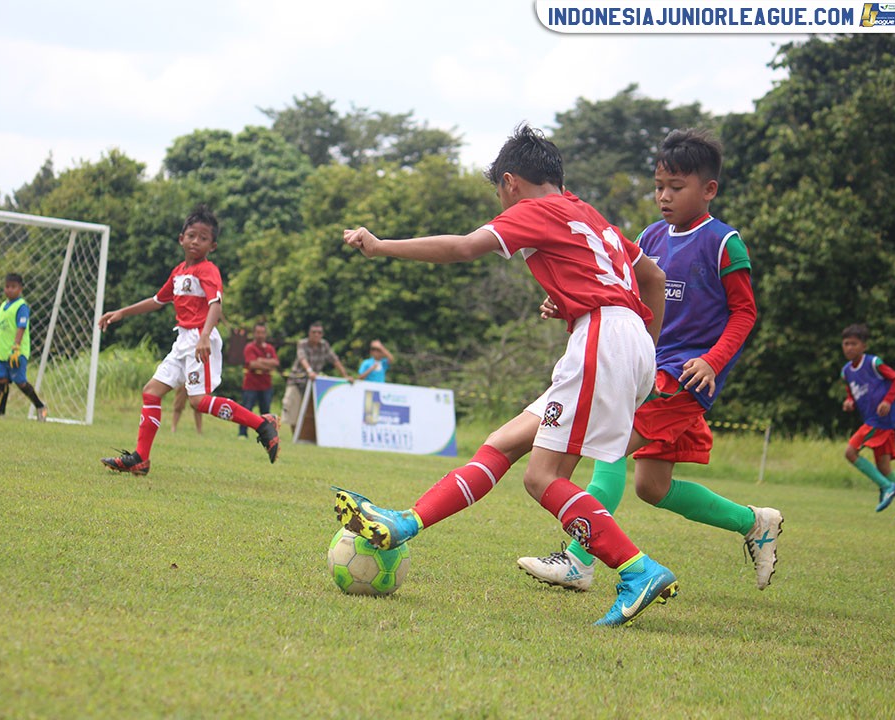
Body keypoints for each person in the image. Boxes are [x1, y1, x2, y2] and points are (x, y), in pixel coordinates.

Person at [336, 124, 676, 627]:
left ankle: (636, 569)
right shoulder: (590, 215)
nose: (502, 205)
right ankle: (405, 522)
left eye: (500, 193)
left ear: (511, 182)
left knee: (543, 479)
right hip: (624, 339)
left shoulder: (533, 210)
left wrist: (382, 246)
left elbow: (464, 248)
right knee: (502, 443)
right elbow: (654, 278)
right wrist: (636, 343)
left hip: (602, 339)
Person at [517, 128, 784, 593]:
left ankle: (579, 561)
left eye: (676, 188)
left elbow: (745, 312)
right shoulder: (649, 236)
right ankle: (754, 522)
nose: (664, 196)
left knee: (607, 449)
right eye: (659, 186)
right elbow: (621, 297)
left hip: (685, 378)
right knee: (652, 487)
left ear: (709, 189)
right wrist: (566, 305)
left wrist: (714, 362)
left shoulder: (724, 242)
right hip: (646, 367)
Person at [96, 205, 280, 475]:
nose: (196, 241)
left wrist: (204, 336)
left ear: (212, 245)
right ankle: (140, 458)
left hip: (199, 339)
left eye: (203, 238)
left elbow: (216, 304)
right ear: (181, 238)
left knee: (198, 401)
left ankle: (262, 424)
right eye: (191, 235)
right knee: (151, 391)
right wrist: (122, 312)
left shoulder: (208, 270)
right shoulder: (179, 272)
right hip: (182, 340)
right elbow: (158, 301)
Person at [840, 323, 895, 520]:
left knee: (850, 452)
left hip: (879, 420)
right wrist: (849, 402)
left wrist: (888, 401)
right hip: (875, 421)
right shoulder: (846, 371)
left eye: (854, 344)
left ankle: (887, 486)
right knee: (883, 466)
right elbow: (851, 392)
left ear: (864, 346)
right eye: (846, 344)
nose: (849, 347)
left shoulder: (873, 363)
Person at [0, 273, 47, 421]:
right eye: (7, 286)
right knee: (1, 380)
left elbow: (21, 327)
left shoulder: (21, 306)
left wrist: (16, 347)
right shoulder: (3, 305)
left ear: (20, 289)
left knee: (20, 382)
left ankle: (40, 406)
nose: (10, 290)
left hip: (17, 352)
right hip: (2, 353)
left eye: (13, 287)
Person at [281, 322, 352, 434]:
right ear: (309, 333)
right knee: (293, 410)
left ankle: (306, 437)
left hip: (313, 384)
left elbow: (335, 360)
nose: (316, 335)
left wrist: (345, 375)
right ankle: (294, 437)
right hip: (297, 380)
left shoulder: (324, 345)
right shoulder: (302, 343)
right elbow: (302, 358)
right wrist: (310, 371)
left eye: (319, 333)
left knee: (311, 414)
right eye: (314, 332)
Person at [238, 323, 280, 438]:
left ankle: (266, 435)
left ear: (266, 334)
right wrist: (267, 364)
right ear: (253, 333)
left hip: (266, 385)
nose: (260, 335)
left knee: (266, 411)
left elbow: (275, 363)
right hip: (250, 385)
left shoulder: (270, 348)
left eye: (262, 332)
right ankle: (242, 433)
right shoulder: (249, 347)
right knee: (247, 409)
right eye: (257, 332)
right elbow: (252, 364)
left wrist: (261, 361)